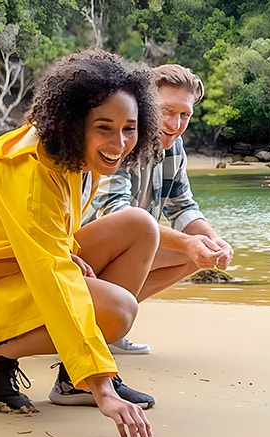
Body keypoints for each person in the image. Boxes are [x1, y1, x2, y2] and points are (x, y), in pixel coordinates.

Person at [0, 51, 164, 437]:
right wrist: (102, 386)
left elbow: (47, 243)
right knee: (117, 311)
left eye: (129, 128)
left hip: (6, 274)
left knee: (140, 226)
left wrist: (67, 254)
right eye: (105, 127)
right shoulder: (29, 171)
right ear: (74, 122)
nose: (120, 143)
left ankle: (69, 380)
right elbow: (51, 275)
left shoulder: (76, 159)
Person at [84, 63, 233, 355]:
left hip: (128, 249)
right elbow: (116, 214)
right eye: (167, 111)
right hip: (81, 252)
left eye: (185, 115)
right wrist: (188, 243)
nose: (176, 124)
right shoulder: (119, 141)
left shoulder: (174, 150)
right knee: (147, 227)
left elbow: (183, 207)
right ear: (144, 105)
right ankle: (97, 323)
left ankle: (108, 327)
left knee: (199, 255)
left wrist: (214, 242)